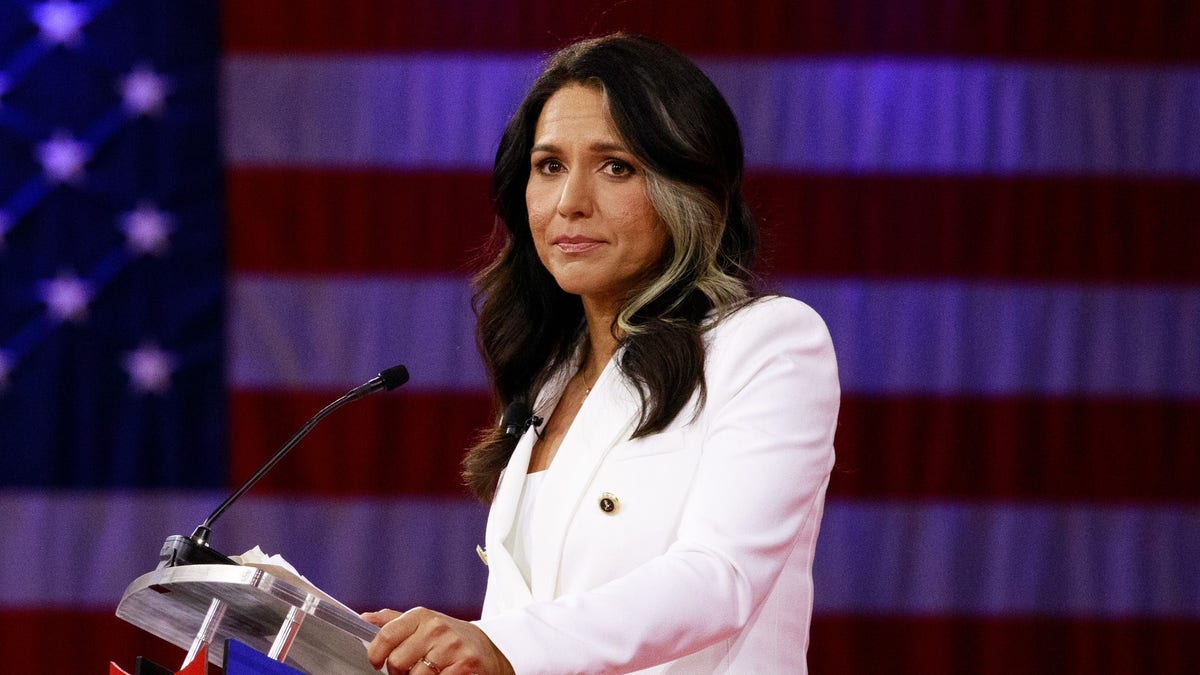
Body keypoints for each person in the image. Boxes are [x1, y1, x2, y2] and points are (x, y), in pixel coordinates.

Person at [364, 33, 839, 674]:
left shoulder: (767, 342)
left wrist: (503, 645)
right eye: (549, 166)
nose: (570, 203)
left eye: (615, 166)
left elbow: (719, 578)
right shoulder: (551, 376)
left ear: (689, 189)